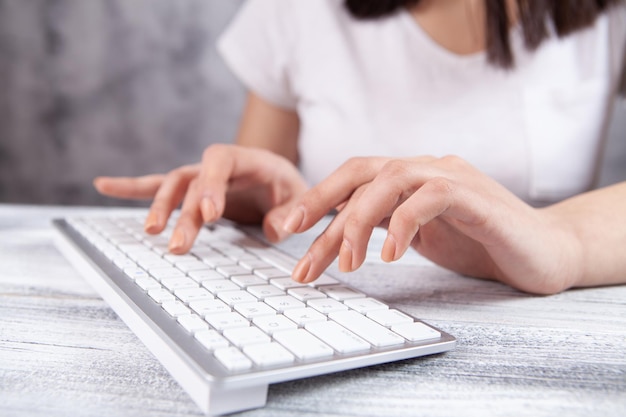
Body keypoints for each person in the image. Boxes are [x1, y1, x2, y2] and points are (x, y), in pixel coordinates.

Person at [94, 0, 626, 295]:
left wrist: (563, 243)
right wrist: (268, 202)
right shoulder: (298, 11)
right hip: (351, 308)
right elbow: (271, 205)